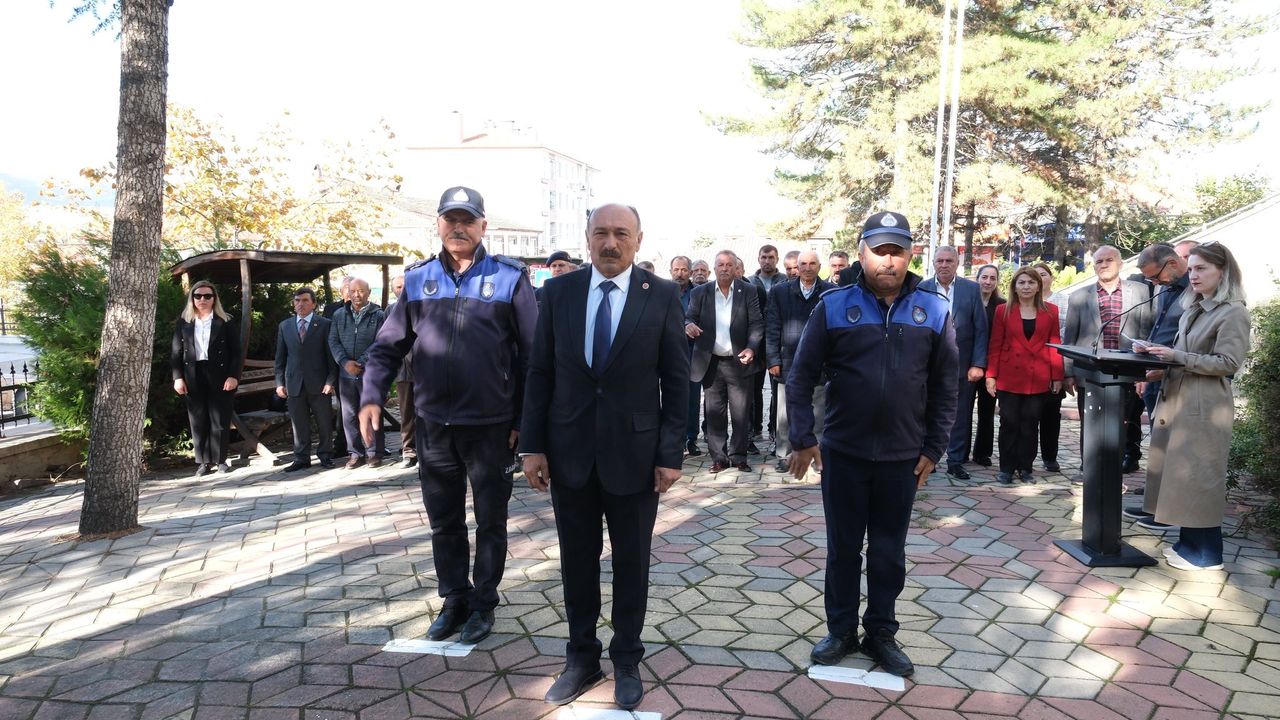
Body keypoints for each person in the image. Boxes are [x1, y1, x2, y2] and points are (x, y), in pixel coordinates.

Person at [519, 203, 687, 710]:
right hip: (568, 452)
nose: (610, 243)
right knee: (576, 560)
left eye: (620, 233)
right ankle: (581, 658)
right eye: (600, 233)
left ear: (638, 239)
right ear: (586, 238)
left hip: (636, 456)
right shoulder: (559, 292)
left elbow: (677, 380)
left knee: (632, 562)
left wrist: (670, 451)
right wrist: (533, 444)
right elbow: (540, 372)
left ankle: (627, 661)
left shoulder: (662, 295)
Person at [359, 186, 537, 645]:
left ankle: (484, 604)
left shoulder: (510, 278)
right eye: (450, 219)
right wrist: (371, 394)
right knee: (444, 522)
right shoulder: (417, 280)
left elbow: (533, 358)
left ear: (483, 226)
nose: (458, 228)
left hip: (493, 425)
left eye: (468, 220)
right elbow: (386, 346)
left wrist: (525, 421)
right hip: (434, 424)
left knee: (490, 521)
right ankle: (454, 598)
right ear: (438, 224)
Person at [787, 211, 958, 677]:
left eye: (897, 251)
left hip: (903, 458)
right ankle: (840, 630)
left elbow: (946, 386)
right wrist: (802, 437)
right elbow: (801, 376)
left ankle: (880, 631)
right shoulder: (834, 305)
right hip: (843, 453)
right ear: (861, 252)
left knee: (887, 552)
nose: (888, 260)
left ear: (910, 255)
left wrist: (934, 448)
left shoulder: (935, 309)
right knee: (843, 548)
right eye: (879, 250)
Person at [1136, 242, 1249, 570]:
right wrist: (1161, 364)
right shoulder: (1196, 306)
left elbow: (1228, 363)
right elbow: (1188, 356)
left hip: (1204, 405)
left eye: (1202, 269)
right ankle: (1188, 544)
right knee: (1182, 476)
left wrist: (1176, 357)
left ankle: (1207, 554)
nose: (1194, 274)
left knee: (1200, 476)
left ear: (1223, 272)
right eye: (1193, 267)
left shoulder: (1234, 312)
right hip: (1181, 399)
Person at [1062, 245, 1152, 473]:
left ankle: (1113, 468)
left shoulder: (1140, 292)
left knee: (1121, 424)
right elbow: (1070, 338)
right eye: (1099, 262)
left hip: (1126, 371)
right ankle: (1089, 467)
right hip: (1089, 373)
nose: (1103, 265)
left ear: (1120, 263)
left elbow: (1145, 334)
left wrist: (1146, 373)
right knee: (1090, 423)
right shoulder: (1079, 297)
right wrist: (1069, 373)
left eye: (1109, 260)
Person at [686, 250, 764, 472]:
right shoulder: (701, 292)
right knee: (714, 412)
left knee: (740, 412)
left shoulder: (748, 290)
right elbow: (689, 317)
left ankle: (739, 456)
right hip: (710, 362)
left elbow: (757, 323)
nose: (725, 268)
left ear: (735, 267)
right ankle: (718, 458)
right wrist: (688, 325)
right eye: (720, 264)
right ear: (714, 268)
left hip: (739, 361)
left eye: (729, 264)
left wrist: (751, 347)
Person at [984, 268, 1065, 484]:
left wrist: (1057, 376)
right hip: (1009, 376)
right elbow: (995, 346)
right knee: (1009, 422)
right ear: (1014, 286)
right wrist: (991, 376)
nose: (1026, 286)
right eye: (1022, 282)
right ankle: (1006, 468)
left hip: (1037, 377)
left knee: (1030, 424)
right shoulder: (1003, 310)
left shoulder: (1051, 311)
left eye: (1031, 282)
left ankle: (1026, 468)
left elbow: (1055, 345)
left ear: (1039, 285)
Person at [919, 246, 988, 480]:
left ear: (957, 263)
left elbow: (981, 328)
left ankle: (956, 460)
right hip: (928, 363)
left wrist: (978, 363)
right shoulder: (921, 288)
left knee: (960, 413)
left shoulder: (971, 289)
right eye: (940, 260)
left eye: (949, 260)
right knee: (926, 411)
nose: (944, 265)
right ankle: (929, 458)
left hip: (963, 363)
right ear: (934, 263)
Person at [766, 250, 833, 473]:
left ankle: (817, 455)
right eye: (802, 263)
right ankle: (785, 454)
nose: (807, 267)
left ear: (819, 266)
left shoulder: (831, 293)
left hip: (820, 363)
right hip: (787, 362)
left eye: (812, 263)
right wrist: (773, 359)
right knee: (785, 414)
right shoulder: (780, 292)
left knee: (819, 412)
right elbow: (772, 327)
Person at [170, 281, 242, 476]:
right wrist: (178, 378)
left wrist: (233, 376)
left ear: (214, 299)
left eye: (207, 296)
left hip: (220, 373)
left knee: (219, 419)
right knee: (198, 419)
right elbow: (176, 352)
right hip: (193, 374)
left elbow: (236, 352)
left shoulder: (225, 320)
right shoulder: (184, 321)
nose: (202, 299)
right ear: (192, 298)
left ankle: (220, 460)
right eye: (198, 296)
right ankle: (203, 462)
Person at [274, 287, 337, 472]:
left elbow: (330, 357)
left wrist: (330, 381)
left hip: (319, 383)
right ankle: (301, 458)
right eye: (297, 301)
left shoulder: (324, 324)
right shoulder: (285, 326)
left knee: (324, 422)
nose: (300, 304)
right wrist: (279, 383)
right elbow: (280, 358)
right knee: (299, 424)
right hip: (294, 383)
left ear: (314, 304)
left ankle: (325, 455)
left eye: (304, 300)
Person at [328, 278, 387, 468]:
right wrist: (345, 363)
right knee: (349, 414)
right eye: (352, 291)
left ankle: (374, 453)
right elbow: (333, 341)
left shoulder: (378, 315)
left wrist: (361, 362)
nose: (356, 295)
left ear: (369, 292)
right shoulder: (338, 315)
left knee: (370, 413)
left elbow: (380, 342)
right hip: (345, 374)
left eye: (361, 291)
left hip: (369, 373)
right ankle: (355, 453)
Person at [1032, 262, 1068, 472]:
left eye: (1043, 274)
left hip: (1055, 364)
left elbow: (1068, 334)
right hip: (1029, 368)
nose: (1039, 279)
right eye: (1034, 275)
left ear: (1051, 277)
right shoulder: (1022, 302)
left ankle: (1049, 456)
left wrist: (1065, 372)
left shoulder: (1063, 301)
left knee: (1051, 415)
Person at [971, 265, 1004, 467]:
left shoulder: (1001, 306)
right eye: (984, 277)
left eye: (993, 278)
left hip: (991, 367)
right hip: (969, 365)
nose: (988, 281)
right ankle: (960, 451)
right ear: (977, 278)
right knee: (962, 411)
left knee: (987, 411)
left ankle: (982, 452)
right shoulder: (968, 301)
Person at [671, 255, 703, 455]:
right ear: (671, 271)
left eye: (684, 270)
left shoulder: (699, 293)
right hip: (670, 350)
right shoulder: (664, 292)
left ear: (690, 272)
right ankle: (674, 438)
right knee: (671, 396)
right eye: (676, 269)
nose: (680, 273)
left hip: (693, 351)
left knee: (692, 397)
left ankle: (691, 438)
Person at [388, 274, 418, 468]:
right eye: (398, 287)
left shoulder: (422, 305)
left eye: (404, 286)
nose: (401, 290)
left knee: (426, 413)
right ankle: (409, 451)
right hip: (403, 370)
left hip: (426, 369)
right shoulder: (390, 311)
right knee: (406, 413)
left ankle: (427, 450)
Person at [324, 275, 354, 458]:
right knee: (345, 408)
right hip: (338, 363)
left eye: (356, 290)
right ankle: (341, 444)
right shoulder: (332, 310)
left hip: (360, 364)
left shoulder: (370, 309)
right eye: (348, 290)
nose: (352, 294)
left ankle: (370, 445)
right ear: (341, 292)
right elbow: (330, 337)